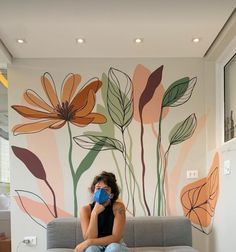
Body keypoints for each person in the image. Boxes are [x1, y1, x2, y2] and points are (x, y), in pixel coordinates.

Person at [75, 171, 129, 252]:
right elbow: (89, 237)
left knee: (114, 248)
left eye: (106, 189)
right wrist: (95, 213)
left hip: (115, 244)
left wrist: (89, 242)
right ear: (93, 191)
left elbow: (116, 237)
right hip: (95, 246)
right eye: (98, 188)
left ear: (111, 194)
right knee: (91, 249)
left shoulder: (118, 207)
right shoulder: (85, 210)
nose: (101, 192)